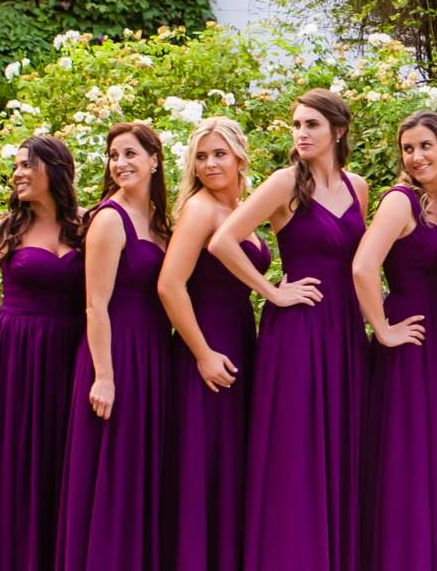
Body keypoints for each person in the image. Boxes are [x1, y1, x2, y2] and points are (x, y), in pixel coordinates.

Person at [213, 89, 366, 571]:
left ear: (338, 131)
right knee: (296, 448)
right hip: (297, 331)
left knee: (342, 443)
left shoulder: (357, 187)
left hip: (344, 328)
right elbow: (223, 241)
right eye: (296, 125)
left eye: (311, 125)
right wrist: (272, 292)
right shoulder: (285, 183)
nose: (300, 133)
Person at [0, 134, 85, 571]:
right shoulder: (1, 231)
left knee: (60, 461)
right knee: (12, 468)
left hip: (70, 355)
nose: (18, 174)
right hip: (14, 360)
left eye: (28, 165)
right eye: (15, 166)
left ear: (56, 169)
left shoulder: (86, 226)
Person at [56, 121, 176, 571]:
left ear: (154, 160)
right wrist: (103, 377)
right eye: (114, 156)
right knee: (112, 474)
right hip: (114, 355)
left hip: (153, 354)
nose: (120, 163)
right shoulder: (109, 218)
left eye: (130, 154)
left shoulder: (161, 223)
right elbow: (95, 305)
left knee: (142, 474)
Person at [354, 110, 437, 571]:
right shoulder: (402, 202)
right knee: (408, 456)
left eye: (424, 147)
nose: (416, 157)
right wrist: (382, 328)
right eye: (408, 148)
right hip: (410, 337)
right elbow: (362, 266)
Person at [158, 117, 266, 571]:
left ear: (241, 156)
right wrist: (201, 353)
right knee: (204, 463)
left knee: (231, 464)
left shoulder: (240, 208)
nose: (209, 164)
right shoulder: (201, 209)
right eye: (200, 157)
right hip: (206, 346)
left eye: (219, 153)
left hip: (240, 336)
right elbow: (169, 285)